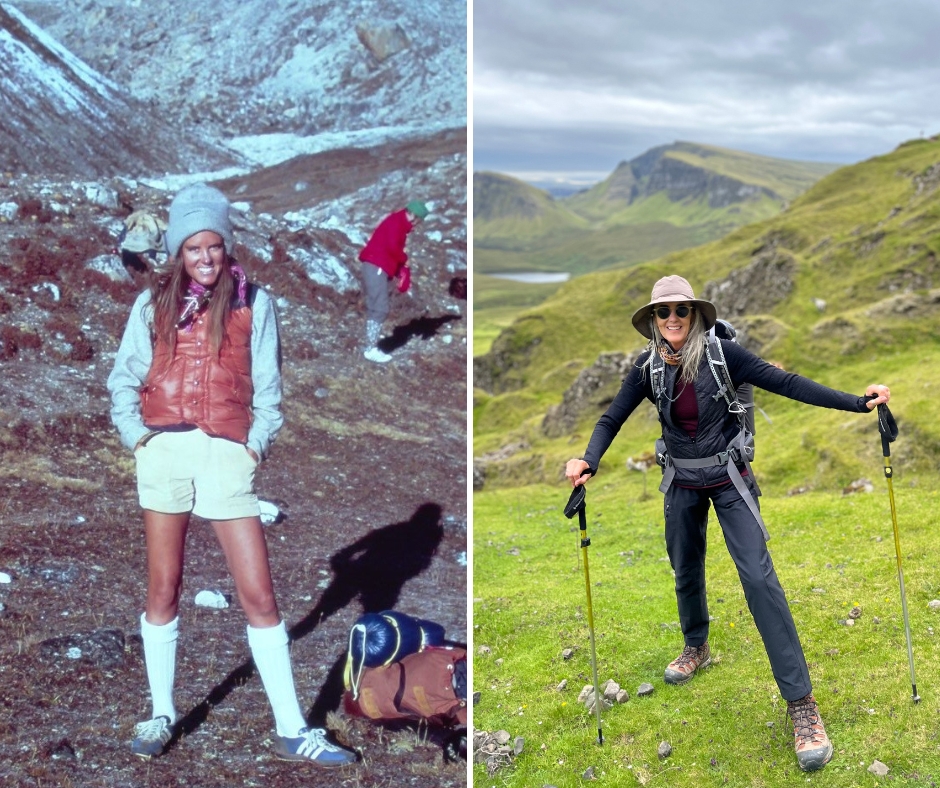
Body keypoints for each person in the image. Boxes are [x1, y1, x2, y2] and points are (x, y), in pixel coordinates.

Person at [565, 275, 890, 773]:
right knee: (685, 568)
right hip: (680, 480)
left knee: (759, 580)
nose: (672, 319)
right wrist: (588, 459)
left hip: (730, 479)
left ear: (695, 313)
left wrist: (857, 401)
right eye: (662, 312)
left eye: (681, 310)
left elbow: (787, 383)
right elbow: (611, 418)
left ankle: (802, 706)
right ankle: (696, 646)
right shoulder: (647, 368)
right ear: (653, 321)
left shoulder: (722, 355)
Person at [107, 183, 356, 767]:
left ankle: (293, 728)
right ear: (178, 251)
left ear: (226, 245)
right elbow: (123, 379)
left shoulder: (255, 303)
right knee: (162, 588)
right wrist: (137, 438)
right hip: (163, 451)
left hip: (227, 456)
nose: (205, 258)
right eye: (193, 247)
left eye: (214, 245)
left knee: (259, 594)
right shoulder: (151, 306)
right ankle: (160, 712)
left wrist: (254, 447)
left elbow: (269, 390)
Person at [357, 200, 429, 363]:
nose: (417, 225)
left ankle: (371, 346)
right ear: (414, 216)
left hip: (377, 265)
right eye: (418, 220)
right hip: (376, 265)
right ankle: (370, 349)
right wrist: (405, 260)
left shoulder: (397, 222)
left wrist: (398, 267)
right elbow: (392, 247)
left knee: (376, 306)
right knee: (380, 307)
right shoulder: (397, 224)